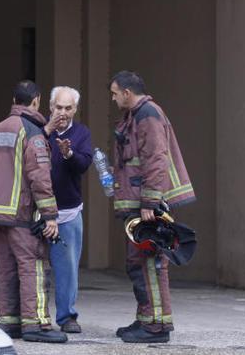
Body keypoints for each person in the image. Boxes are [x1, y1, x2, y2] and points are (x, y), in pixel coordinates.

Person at [109, 71, 196, 343]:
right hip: (136, 201)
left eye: (114, 93)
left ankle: (157, 327)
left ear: (126, 92)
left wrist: (149, 201)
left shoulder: (147, 114)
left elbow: (156, 158)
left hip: (144, 204)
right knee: (138, 263)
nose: (112, 98)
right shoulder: (136, 116)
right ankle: (146, 319)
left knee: (150, 264)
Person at [0, 80, 67, 344]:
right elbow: (40, 177)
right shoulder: (32, 131)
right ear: (37, 100)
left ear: (14, 99)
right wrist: (50, 215)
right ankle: (36, 324)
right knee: (34, 266)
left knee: (6, 269)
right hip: (21, 214)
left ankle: (9, 323)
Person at [43, 86, 92, 334]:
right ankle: (35, 317)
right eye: (58, 107)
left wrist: (69, 154)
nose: (63, 112)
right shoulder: (39, 131)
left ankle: (66, 317)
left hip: (68, 211)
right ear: (50, 107)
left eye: (68, 108)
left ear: (75, 109)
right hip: (39, 211)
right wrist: (47, 131)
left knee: (67, 268)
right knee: (34, 267)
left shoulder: (81, 132)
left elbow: (84, 164)